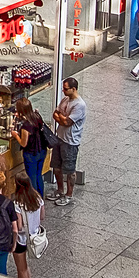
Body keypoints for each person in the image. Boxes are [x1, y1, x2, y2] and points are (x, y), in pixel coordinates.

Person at [51, 78, 84, 207]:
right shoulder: (65, 100)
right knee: (56, 167)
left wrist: (62, 119)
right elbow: (56, 114)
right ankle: (60, 190)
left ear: (73, 89)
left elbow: (67, 122)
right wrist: (62, 119)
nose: (63, 91)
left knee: (70, 170)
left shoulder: (79, 105)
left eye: (66, 89)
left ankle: (69, 194)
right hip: (60, 137)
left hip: (70, 142)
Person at [12, 98, 48, 197]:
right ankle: (40, 198)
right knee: (38, 175)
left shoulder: (26, 127)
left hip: (31, 154)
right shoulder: (37, 116)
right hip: (42, 150)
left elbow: (23, 143)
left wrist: (16, 135)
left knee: (31, 178)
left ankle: (34, 199)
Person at [11, 176, 43, 278]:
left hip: (21, 240)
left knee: (21, 269)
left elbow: (19, 227)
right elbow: (42, 216)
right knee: (25, 266)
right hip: (34, 236)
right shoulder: (38, 197)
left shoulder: (17, 203)